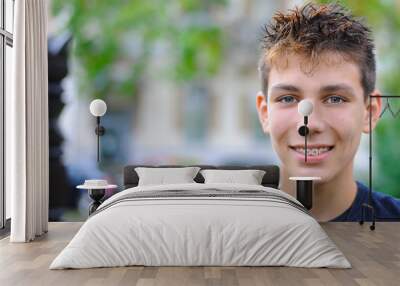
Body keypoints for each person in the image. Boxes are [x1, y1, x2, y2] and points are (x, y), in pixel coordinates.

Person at [255, 2, 400, 222]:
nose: (309, 124)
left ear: (369, 112)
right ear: (265, 113)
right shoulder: (224, 235)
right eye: (287, 98)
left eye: (335, 99)